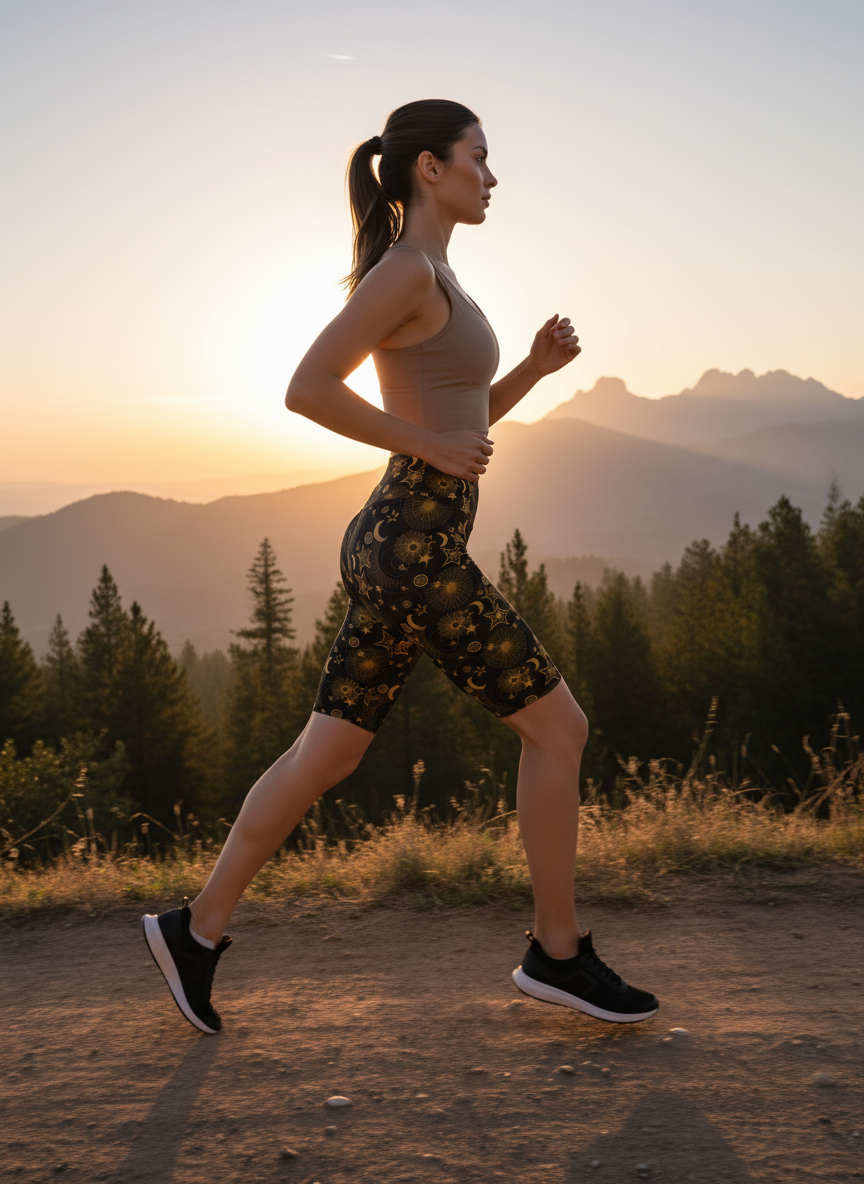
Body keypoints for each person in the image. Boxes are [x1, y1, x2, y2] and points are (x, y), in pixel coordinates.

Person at [142, 99, 659, 1034]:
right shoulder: (406, 270)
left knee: (324, 752)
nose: (492, 177)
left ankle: (195, 930)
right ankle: (559, 952)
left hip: (405, 542)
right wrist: (425, 441)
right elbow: (307, 388)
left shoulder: (440, 275)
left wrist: (534, 371)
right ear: (430, 168)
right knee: (560, 730)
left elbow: (462, 423)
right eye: (479, 158)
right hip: (410, 544)